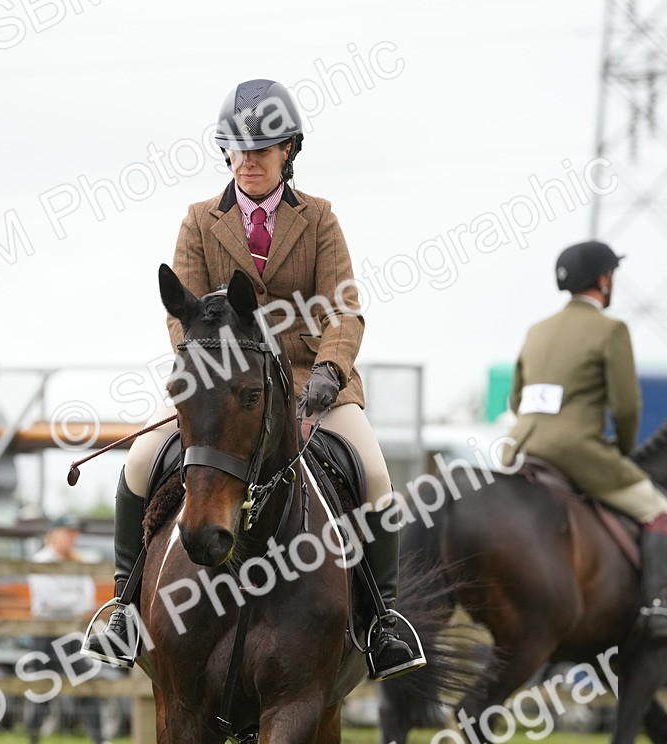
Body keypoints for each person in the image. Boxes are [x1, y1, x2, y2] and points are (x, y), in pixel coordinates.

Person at [82, 78, 425, 680]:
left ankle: (382, 621)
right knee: (139, 461)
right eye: (238, 149)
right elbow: (182, 312)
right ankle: (123, 609)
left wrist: (330, 370)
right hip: (222, 382)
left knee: (374, 474)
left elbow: (345, 309)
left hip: (311, 379)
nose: (248, 161)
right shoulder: (199, 220)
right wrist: (206, 370)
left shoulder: (318, 218)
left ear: (288, 150)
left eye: (261, 150)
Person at [505, 241, 667, 639]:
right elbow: (626, 407)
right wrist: (623, 451)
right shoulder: (611, 330)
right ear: (604, 280)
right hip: (575, 452)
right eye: (612, 275)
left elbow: (516, 399)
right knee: (658, 510)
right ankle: (656, 607)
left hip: (518, 447)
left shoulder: (537, 330)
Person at [26, 515, 129, 744]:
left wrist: (71, 602)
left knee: (87, 685)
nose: (72, 538)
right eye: (68, 532)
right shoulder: (40, 561)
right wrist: (74, 601)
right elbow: (50, 601)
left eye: (75, 533)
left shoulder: (78, 561)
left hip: (70, 635)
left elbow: (87, 599)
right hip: (46, 634)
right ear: (54, 534)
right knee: (43, 691)